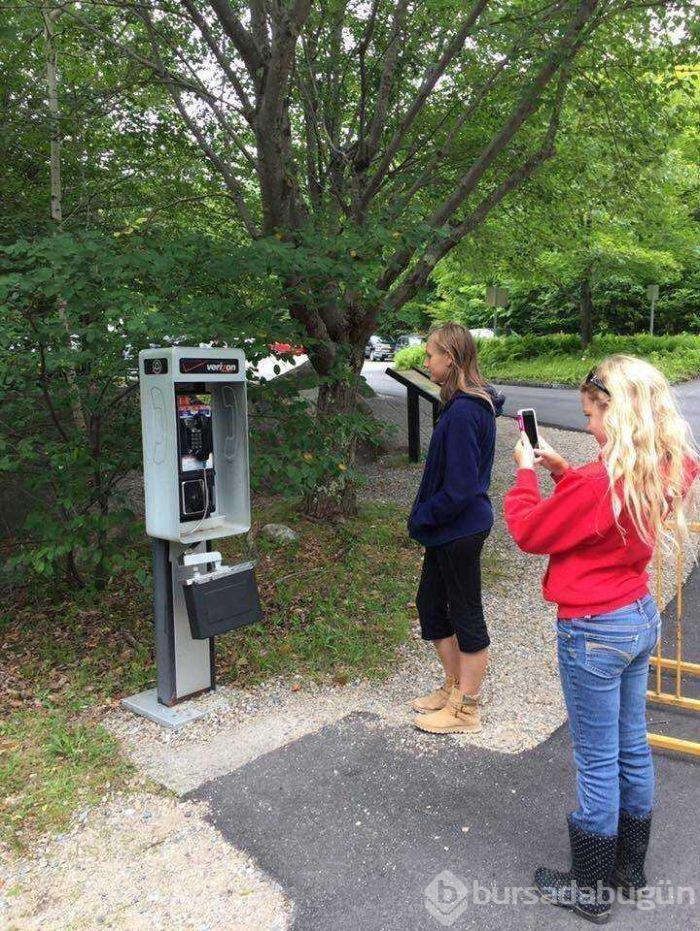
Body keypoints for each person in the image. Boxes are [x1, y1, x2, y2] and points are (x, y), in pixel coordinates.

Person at [504, 354, 699, 923]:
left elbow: (529, 531)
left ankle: (589, 886)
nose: (587, 425)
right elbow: (603, 521)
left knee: (595, 758)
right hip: (638, 615)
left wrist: (524, 472)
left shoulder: (598, 483)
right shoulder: (668, 465)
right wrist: (565, 471)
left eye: (592, 414)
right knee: (631, 744)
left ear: (618, 413)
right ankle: (628, 869)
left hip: (593, 628)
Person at [407, 322, 505, 735]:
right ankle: (452, 689)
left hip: (459, 529)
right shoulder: (459, 404)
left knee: (466, 615)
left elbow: (462, 488)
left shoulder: (466, 411)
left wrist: (423, 515)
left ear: (450, 357)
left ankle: (467, 710)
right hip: (449, 528)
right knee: (431, 606)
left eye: (430, 354)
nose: (425, 361)